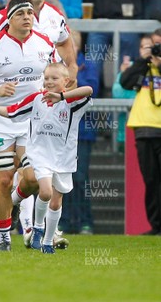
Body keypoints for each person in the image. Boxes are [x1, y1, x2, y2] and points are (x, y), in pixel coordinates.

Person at [0, 0, 57, 251]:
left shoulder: (44, 43)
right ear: (9, 18)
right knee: (4, 179)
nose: (27, 18)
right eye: (21, 14)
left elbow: (58, 74)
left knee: (32, 179)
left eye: (30, 14)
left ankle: (6, 205)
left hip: (31, 122)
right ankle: (3, 235)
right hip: (1, 121)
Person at [0, 63, 93, 253]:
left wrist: (61, 96)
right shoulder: (36, 99)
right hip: (39, 155)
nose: (49, 82)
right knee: (45, 192)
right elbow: (11, 111)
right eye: (46, 78)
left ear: (65, 81)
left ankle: (47, 241)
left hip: (63, 159)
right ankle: (37, 228)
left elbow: (89, 90)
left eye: (54, 78)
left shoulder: (72, 102)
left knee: (56, 202)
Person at [121, 28, 161, 235]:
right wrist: (144, 59)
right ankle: (156, 226)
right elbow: (125, 82)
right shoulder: (144, 66)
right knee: (151, 180)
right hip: (144, 128)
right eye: (155, 45)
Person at [59, 30, 99, 235]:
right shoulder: (55, 68)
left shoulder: (87, 64)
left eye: (71, 45)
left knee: (80, 177)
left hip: (83, 132)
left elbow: (92, 87)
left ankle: (85, 221)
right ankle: (63, 221)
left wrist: (68, 86)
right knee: (60, 176)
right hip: (59, 133)